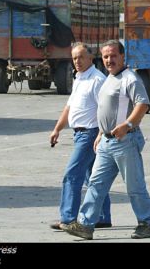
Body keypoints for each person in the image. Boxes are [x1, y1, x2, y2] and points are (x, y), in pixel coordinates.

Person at [62, 40, 150, 240]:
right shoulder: (109, 78)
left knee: (134, 185)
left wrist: (128, 125)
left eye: (113, 56)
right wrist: (99, 134)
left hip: (125, 141)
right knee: (96, 183)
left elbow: (143, 105)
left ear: (123, 56)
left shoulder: (130, 78)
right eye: (105, 56)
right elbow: (105, 110)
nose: (109, 60)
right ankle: (86, 225)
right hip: (106, 142)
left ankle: (146, 223)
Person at [49, 43, 111, 230]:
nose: (77, 61)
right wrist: (57, 129)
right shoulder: (79, 78)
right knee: (94, 178)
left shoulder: (97, 80)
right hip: (79, 134)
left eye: (81, 57)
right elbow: (69, 107)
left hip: (90, 135)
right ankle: (102, 216)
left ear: (91, 58)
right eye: (74, 58)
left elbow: (105, 110)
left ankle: (68, 219)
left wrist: (100, 134)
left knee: (72, 175)